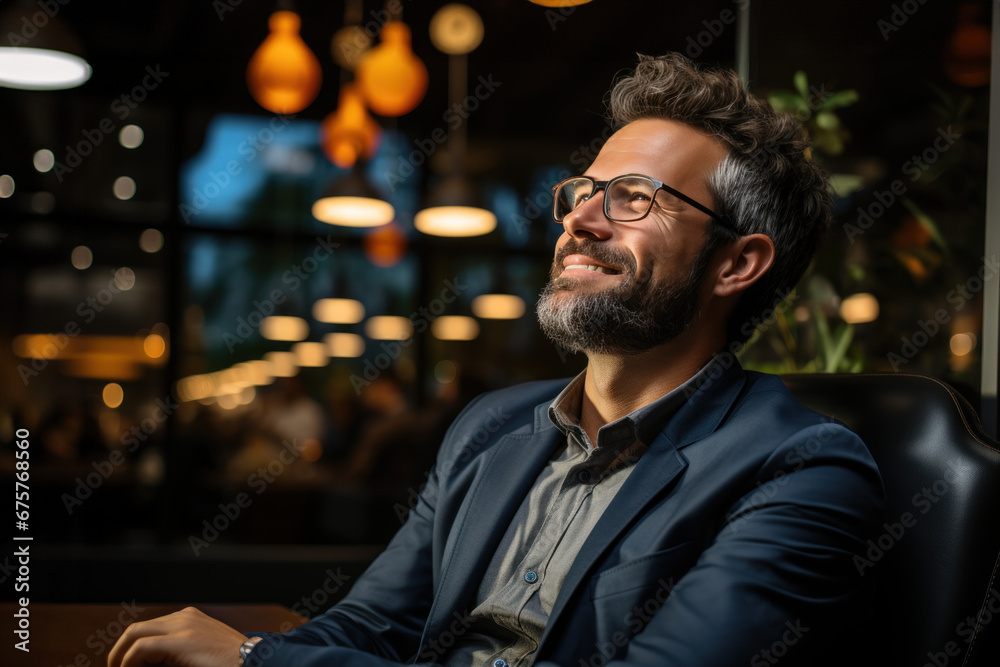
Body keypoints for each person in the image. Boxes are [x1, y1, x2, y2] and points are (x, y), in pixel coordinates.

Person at [108, 53, 884, 667]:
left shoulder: (803, 470)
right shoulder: (493, 425)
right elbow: (375, 628)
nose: (579, 217)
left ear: (736, 265)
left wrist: (253, 658)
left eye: (634, 197)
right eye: (583, 191)